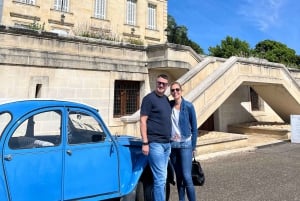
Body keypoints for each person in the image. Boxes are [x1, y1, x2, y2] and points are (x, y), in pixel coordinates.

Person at [140, 74, 172, 201]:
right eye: (159, 82)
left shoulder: (166, 100)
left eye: (164, 84)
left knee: (162, 178)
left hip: (166, 144)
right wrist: (145, 142)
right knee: (160, 178)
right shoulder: (149, 99)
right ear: (156, 82)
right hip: (155, 144)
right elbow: (143, 121)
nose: (161, 85)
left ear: (167, 86)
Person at [169, 81, 198, 201]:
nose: (175, 92)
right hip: (173, 145)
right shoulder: (169, 105)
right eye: (172, 90)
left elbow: (195, 129)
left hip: (186, 144)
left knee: (187, 176)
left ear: (181, 91)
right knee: (179, 177)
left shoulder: (189, 106)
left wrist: (193, 147)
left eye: (177, 90)